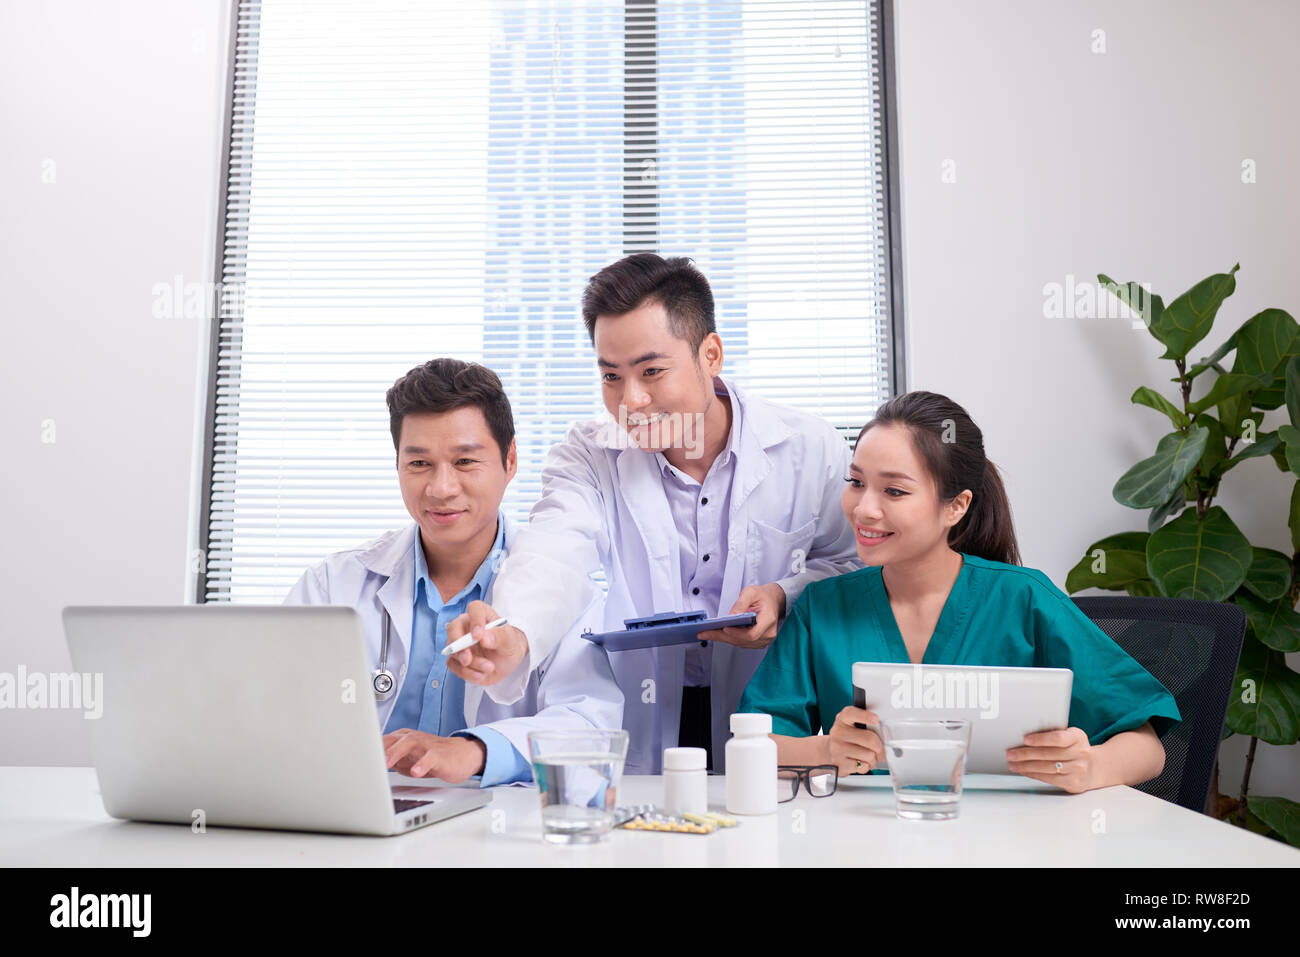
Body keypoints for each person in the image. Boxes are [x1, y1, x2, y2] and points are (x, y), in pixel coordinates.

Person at [443, 253, 862, 772]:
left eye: (652, 371)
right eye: (611, 376)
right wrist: (514, 632)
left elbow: (851, 567)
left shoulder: (808, 447)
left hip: (768, 715)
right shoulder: (590, 452)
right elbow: (554, 550)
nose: (631, 400)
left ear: (711, 355)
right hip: (644, 711)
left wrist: (783, 594)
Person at [738, 391, 1180, 793]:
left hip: (1010, 846)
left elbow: (1149, 749)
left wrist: (1091, 766)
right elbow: (754, 744)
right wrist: (825, 752)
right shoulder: (823, 608)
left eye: (894, 490)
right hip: (869, 845)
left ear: (957, 506)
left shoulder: (1024, 600)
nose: (864, 509)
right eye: (856, 482)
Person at [283, 358, 623, 786]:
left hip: (494, 841)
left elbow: (590, 724)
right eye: (419, 464)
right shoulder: (331, 588)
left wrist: (478, 750)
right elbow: (274, 708)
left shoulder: (563, 590)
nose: (441, 488)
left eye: (464, 462)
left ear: (510, 460)